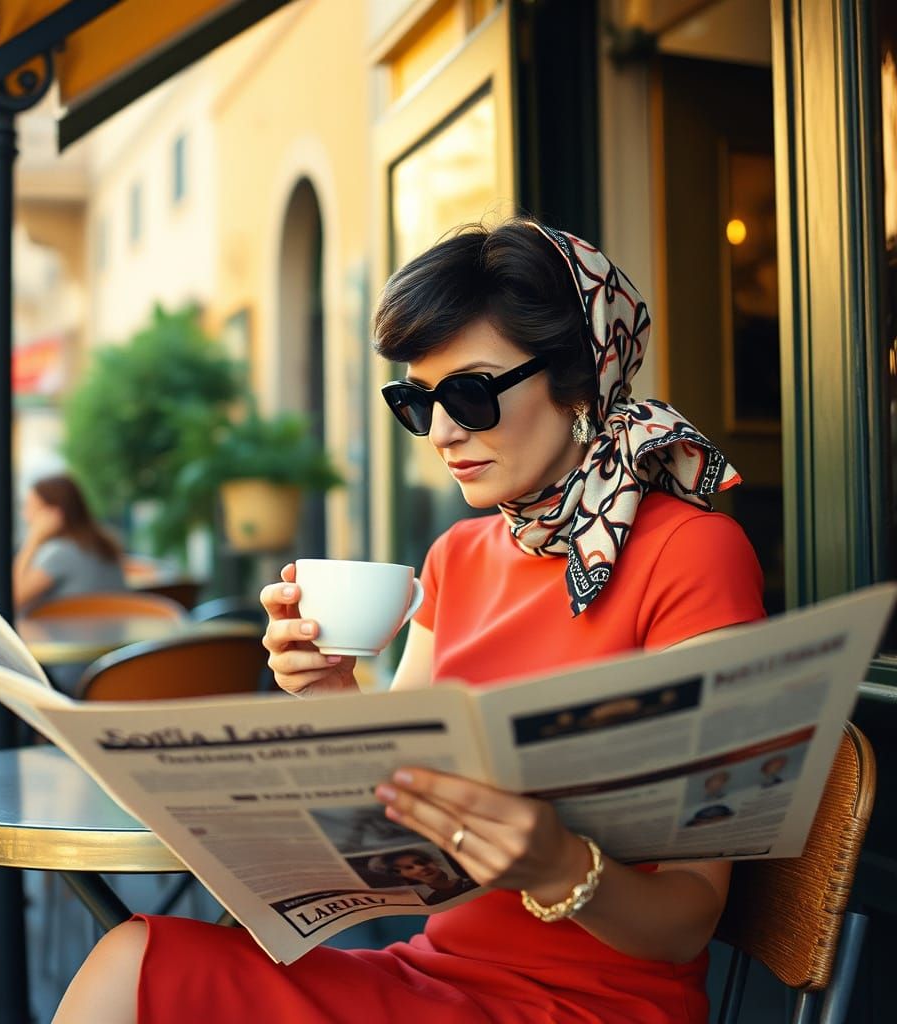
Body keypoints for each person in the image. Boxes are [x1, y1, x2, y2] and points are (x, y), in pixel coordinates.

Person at [53, 220, 765, 1023]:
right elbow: (402, 794)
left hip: (592, 1006)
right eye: (416, 402)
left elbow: (686, 923)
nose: (442, 432)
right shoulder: (456, 557)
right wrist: (330, 694)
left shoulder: (694, 553)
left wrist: (557, 864)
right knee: (136, 959)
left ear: (581, 378)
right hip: (432, 976)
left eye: (471, 393)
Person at [13, 473, 125, 615]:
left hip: (65, 636)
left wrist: (33, 539)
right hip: (109, 634)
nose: (24, 515)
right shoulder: (101, 542)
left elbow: (12, 599)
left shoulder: (60, 553)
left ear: (53, 514)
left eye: (30, 507)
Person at [367, 848, 479, 905]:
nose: (421, 868)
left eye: (422, 861)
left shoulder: (473, 880)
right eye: (409, 868)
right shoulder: (432, 900)